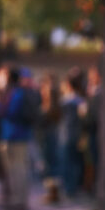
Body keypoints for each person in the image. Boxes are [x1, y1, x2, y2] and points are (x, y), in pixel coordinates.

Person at [0, 66, 36, 210]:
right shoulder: (14, 92)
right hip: (12, 135)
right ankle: (15, 199)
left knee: (18, 170)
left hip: (15, 136)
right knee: (14, 170)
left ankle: (19, 200)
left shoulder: (16, 93)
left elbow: (9, 112)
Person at [59, 68, 85, 198]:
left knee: (68, 161)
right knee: (75, 161)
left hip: (67, 135)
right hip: (77, 134)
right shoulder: (81, 100)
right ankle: (73, 187)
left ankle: (70, 188)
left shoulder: (66, 101)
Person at [38, 73, 62, 203]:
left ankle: (53, 193)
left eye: (43, 88)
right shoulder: (53, 106)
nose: (41, 91)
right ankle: (51, 192)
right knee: (50, 164)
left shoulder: (49, 109)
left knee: (51, 165)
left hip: (49, 138)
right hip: (49, 137)